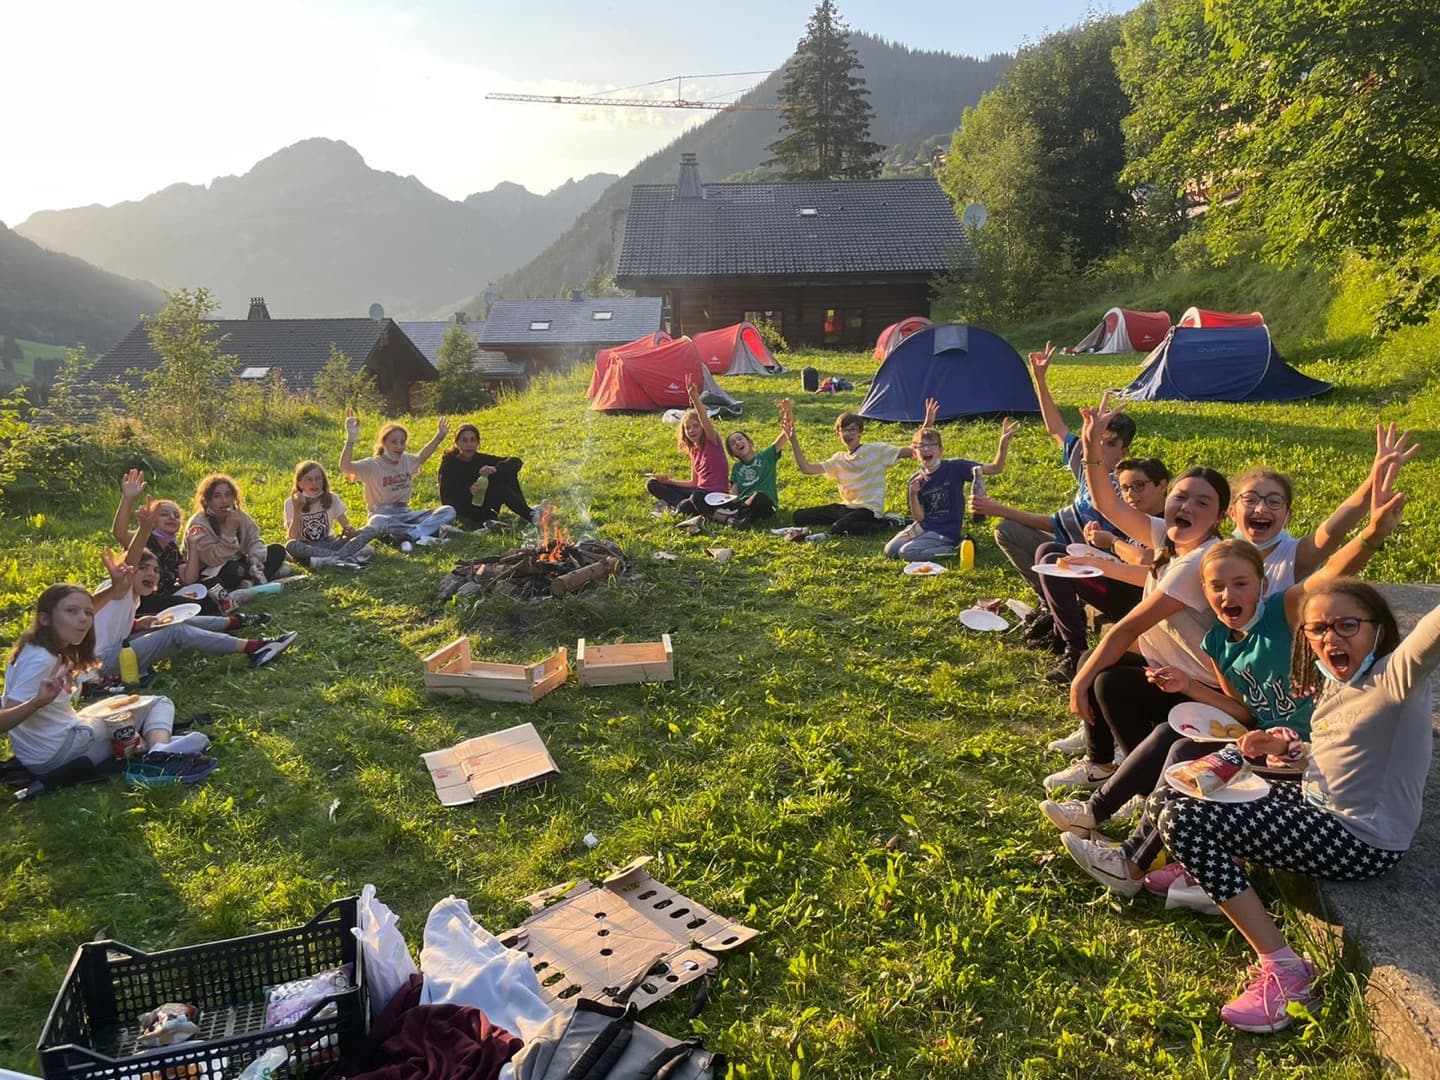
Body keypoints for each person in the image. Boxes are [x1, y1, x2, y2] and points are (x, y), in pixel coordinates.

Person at [1046, 451, 1407, 885]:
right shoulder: (1219, 643)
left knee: (1178, 748)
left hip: (1303, 754)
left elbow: (1330, 570)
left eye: (1240, 585)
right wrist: (1186, 686)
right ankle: (1112, 821)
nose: (1226, 595)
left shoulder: (1281, 611)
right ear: (1203, 591)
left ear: (1263, 585)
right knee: (1170, 737)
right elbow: (1239, 711)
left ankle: (1124, 851)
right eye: (1215, 588)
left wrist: (1371, 533)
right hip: (1259, 741)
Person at [1150, 574, 1436, 1034]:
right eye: (1318, 629)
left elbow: (1431, 632)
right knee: (1182, 785)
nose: (1330, 639)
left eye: (1346, 625)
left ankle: (1286, 972)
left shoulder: (1394, 679)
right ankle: (1213, 873)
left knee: (1183, 820)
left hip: (1361, 839)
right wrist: (1287, 751)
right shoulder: (1336, 681)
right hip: (1318, 804)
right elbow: (1340, 752)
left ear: (1378, 629)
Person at [1048, 400, 1229, 791]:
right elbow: (1106, 503)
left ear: (1219, 518)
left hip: (1198, 683)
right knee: (1090, 662)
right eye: (1181, 497)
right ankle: (1100, 764)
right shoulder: (1172, 536)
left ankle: (1140, 781)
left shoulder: (1198, 562)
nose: (1186, 506)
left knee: (1105, 682)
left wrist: (1078, 683)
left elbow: (1127, 628)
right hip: (1167, 662)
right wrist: (1092, 446)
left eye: (1203, 502)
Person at [970, 346, 1137, 611]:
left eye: (1110, 444)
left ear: (1123, 451)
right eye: (1098, 440)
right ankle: (1052, 597)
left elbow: (1052, 525)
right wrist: (1040, 379)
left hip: (1093, 564)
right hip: (1068, 549)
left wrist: (998, 508)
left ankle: (1058, 601)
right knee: (1007, 530)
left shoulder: (1118, 487)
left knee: (1013, 530)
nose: (1100, 448)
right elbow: (1056, 428)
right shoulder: (1088, 464)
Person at [1, 585, 214, 778]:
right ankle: (158, 753)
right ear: (45, 619)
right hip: (60, 754)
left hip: (45, 752)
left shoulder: (41, 648)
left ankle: (156, 746)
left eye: (88, 613)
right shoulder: (40, 659)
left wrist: (114, 586)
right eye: (71, 611)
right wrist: (37, 702)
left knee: (123, 700)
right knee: (160, 703)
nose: (83, 619)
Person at [1227, 421, 1418, 591]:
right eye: (1250, 499)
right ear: (1232, 512)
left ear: (1287, 516)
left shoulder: (1294, 557)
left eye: (1274, 501)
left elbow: (1332, 531)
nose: (1261, 508)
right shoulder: (1218, 554)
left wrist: (1373, 479)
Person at [1033, 456, 1171, 682]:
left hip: (1139, 597)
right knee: (1047, 549)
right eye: (1125, 489)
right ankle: (1060, 629)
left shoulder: (1165, 521)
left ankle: (1074, 649)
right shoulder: (1137, 517)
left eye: (1139, 486)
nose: (1131, 495)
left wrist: (1112, 542)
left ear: (1162, 485)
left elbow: (1146, 561)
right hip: (1120, 584)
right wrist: (1097, 545)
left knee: (1054, 561)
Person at [786, 400, 937, 535]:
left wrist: (927, 424)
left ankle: (886, 522)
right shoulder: (838, 459)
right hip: (846, 508)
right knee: (799, 516)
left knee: (839, 528)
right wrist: (793, 441)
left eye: (853, 430)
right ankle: (851, 521)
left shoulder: (876, 450)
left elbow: (911, 451)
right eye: (844, 430)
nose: (848, 434)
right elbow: (807, 468)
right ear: (838, 434)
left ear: (860, 433)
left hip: (868, 509)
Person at [884, 418, 1017, 561]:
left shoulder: (955, 467)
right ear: (914, 453)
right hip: (923, 527)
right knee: (891, 550)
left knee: (906, 553)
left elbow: (995, 468)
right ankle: (925, 545)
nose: (926, 449)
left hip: (946, 531)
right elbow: (919, 518)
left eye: (931, 445)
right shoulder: (915, 480)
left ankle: (953, 550)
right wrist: (913, 494)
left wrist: (1003, 446)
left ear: (940, 450)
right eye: (921, 446)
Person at [111, 469, 223, 615]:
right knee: (190, 604)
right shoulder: (143, 537)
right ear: (152, 520)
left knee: (210, 582)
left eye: (176, 516)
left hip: (167, 595)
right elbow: (119, 533)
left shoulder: (171, 548)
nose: (172, 518)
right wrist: (128, 498)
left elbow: (189, 578)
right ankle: (222, 620)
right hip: (144, 601)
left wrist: (193, 545)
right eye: (164, 514)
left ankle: (227, 608)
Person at [341, 412, 457, 550]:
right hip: (383, 515)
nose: (399, 446)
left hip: (407, 514)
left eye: (402, 442)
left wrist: (439, 437)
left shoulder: (406, 460)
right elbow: (345, 467)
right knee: (375, 522)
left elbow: (421, 457)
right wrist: (351, 439)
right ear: (383, 443)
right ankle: (427, 533)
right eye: (394, 442)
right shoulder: (372, 465)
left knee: (448, 511)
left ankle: (411, 535)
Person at [184, 474, 289, 591]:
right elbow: (212, 560)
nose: (224, 501)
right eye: (217, 496)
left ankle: (251, 580)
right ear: (207, 501)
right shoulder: (199, 524)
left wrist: (255, 559)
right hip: (214, 569)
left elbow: (254, 540)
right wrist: (229, 532)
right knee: (234, 571)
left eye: (228, 495)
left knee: (277, 550)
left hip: (241, 561)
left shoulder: (240, 516)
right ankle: (262, 577)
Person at [645, 379, 728, 514]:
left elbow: (704, 419)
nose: (692, 431)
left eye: (695, 426)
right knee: (652, 484)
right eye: (687, 428)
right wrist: (668, 481)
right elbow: (693, 483)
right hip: (698, 492)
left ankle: (681, 506)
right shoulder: (694, 452)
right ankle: (682, 505)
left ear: (702, 428)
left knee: (687, 505)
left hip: (713, 496)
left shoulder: (712, 442)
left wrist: (695, 399)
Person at [438, 423, 543, 529]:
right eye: (464, 440)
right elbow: (447, 501)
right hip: (466, 509)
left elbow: (515, 462)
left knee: (506, 472)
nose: (469, 445)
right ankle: (530, 515)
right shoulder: (449, 464)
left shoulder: (479, 459)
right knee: (501, 489)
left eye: (472, 440)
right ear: (457, 443)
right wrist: (469, 491)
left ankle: (526, 512)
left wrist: (495, 469)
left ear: (478, 443)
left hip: (486, 504)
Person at [284, 461, 380, 570]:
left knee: (370, 530)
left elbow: (347, 526)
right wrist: (297, 509)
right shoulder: (291, 503)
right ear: (300, 483)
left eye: (318, 479)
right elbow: (293, 537)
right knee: (290, 545)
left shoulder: (332, 498)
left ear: (323, 481)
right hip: (308, 547)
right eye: (309, 479)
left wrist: (349, 532)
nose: (314, 483)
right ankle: (343, 558)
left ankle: (332, 560)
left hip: (330, 543)